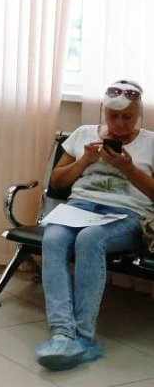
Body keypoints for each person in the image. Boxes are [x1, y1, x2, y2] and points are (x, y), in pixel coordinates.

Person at [35, 80, 154, 371]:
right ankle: (62, 333)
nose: (120, 124)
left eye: (128, 117)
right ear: (103, 111)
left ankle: (83, 338)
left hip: (126, 215)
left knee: (89, 240)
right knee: (53, 239)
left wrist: (128, 168)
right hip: (78, 208)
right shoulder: (83, 134)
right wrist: (84, 161)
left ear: (139, 114)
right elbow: (57, 182)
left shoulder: (151, 142)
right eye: (113, 116)